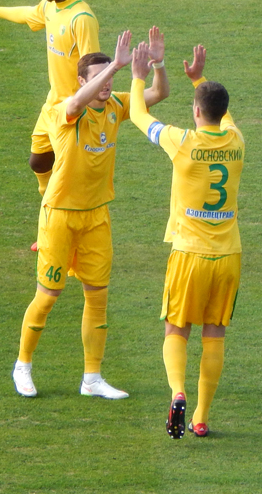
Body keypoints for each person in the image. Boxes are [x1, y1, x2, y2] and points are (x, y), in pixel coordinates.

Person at [11, 28, 169, 399]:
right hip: (60, 216)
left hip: (97, 216)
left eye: (110, 78)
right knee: (48, 295)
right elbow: (73, 106)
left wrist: (159, 64)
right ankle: (23, 366)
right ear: (82, 81)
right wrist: (115, 65)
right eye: (99, 78)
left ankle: (92, 379)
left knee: (97, 297)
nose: (107, 84)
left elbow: (158, 94)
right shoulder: (61, 110)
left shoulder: (115, 105)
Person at [128, 42, 244, 438]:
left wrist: (140, 75)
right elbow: (224, 116)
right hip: (228, 257)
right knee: (215, 333)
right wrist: (199, 78)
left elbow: (138, 113)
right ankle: (201, 416)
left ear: (195, 112)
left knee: (176, 329)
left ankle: (177, 391)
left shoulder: (182, 142)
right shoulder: (236, 141)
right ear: (222, 112)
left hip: (189, 255)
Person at [0, 0, 100, 216]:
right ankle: (52, 207)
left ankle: (60, 216)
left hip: (73, 109)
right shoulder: (49, 7)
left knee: (68, 172)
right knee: (38, 161)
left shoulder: (81, 18)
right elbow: (27, 14)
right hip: (53, 103)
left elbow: (93, 67)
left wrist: (91, 108)